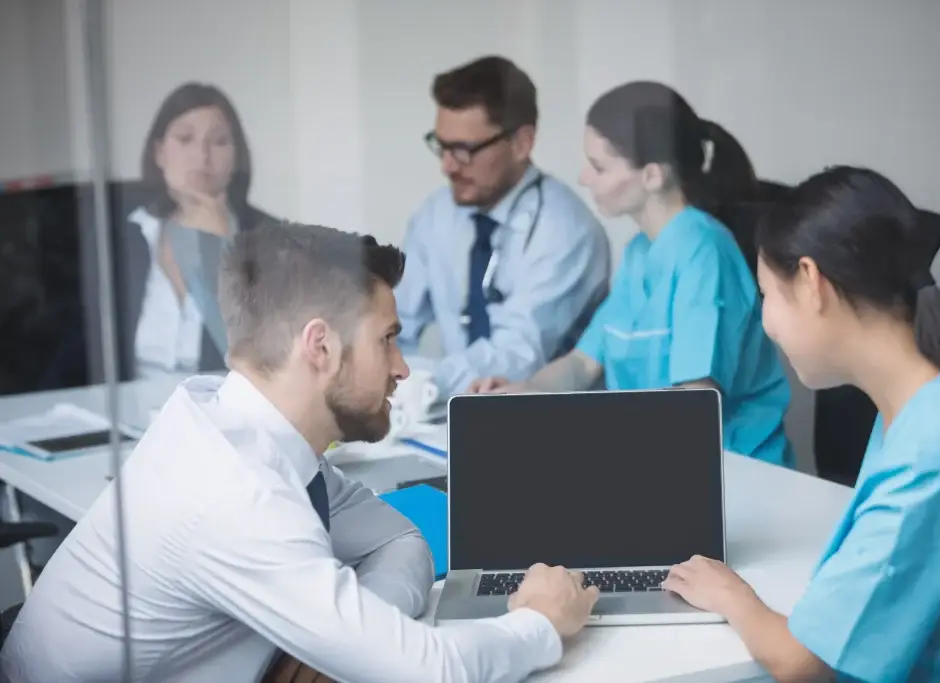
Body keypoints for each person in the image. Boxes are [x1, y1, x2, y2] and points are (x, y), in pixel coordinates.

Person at [0, 223, 599, 683]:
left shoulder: (241, 420)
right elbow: (430, 671)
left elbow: (402, 541)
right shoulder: (236, 494)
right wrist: (540, 622)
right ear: (320, 345)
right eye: (387, 340)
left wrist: (341, 638)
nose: (403, 368)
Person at [663, 167, 940, 683]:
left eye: (767, 295)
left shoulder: (939, 447)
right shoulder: (919, 407)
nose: (766, 324)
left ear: (811, 283)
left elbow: (804, 663)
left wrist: (732, 595)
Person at [471, 81, 794, 467]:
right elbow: (583, 364)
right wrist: (523, 393)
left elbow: (695, 405)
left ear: (652, 176)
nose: (584, 178)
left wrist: (580, 430)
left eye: (599, 167)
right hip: (658, 463)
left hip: (734, 471)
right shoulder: (640, 252)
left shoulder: (704, 254)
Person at [395, 55, 611, 398]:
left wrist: (416, 380)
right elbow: (396, 323)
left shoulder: (566, 230)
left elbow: (516, 357)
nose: (448, 167)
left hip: (547, 418)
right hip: (456, 411)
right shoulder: (435, 215)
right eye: (441, 147)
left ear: (522, 143)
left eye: (464, 150)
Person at [116, 81, 276, 381]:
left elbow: (263, 362)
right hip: (132, 418)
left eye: (219, 141)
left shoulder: (272, 240)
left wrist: (222, 242)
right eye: (185, 139)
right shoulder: (124, 237)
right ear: (159, 152)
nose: (202, 156)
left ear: (237, 157)